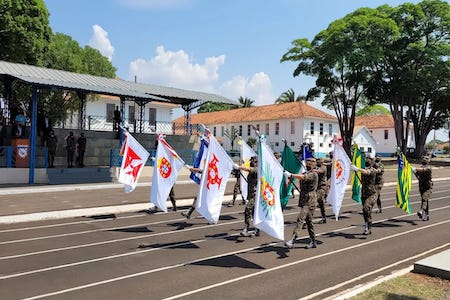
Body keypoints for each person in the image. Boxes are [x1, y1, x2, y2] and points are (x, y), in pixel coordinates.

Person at [284, 157, 319, 249]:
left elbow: (304, 177)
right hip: (305, 199)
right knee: (309, 222)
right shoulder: (306, 173)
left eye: (310, 164)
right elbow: (302, 178)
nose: (308, 165)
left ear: (314, 165)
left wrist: (291, 175)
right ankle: (313, 241)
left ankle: (292, 240)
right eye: (307, 163)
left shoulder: (313, 174)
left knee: (300, 219)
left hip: (310, 201)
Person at [351, 155, 382, 235]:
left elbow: (366, 172)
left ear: (372, 162)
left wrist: (357, 169)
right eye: (367, 158)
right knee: (365, 211)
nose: (368, 160)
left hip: (372, 194)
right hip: (364, 193)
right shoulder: (364, 168)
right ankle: (367, 226)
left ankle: (368, 227)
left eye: (370, 159)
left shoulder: (372, 170)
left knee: (366, 207)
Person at [234, 156, 259, 237]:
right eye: (252, 161)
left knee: (248, 209)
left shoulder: (258, 169)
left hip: (256, 195)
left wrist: (239, 167)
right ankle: (257, 229)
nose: (252, 163)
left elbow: (249, 169)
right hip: (251, 194)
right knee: (254, 212)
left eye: (254, 161)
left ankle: (246, 228)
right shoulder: (253, 170)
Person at [413, 155, 433, 221]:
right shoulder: (421, 168)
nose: (424, 160)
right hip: (421, 186)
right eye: (423, 159)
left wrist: (415, 169)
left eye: (426, 159)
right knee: (425, 200)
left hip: (428, 187)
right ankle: (427, 215)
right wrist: (414, 172)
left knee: (424, 198)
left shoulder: (429, 168)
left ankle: (421, 211)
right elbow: (418, 176)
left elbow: (423, 170)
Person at [315, 158, 329, 224]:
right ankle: (324, 217)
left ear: (321, 162)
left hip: (322, 188)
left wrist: (311, 169)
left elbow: (318, 171)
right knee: (321, 203)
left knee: (313, 202)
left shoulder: (323, 168)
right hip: (317, 187)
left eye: (317, 162)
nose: (316, 163)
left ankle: (308, 220)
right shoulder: (318, 167)